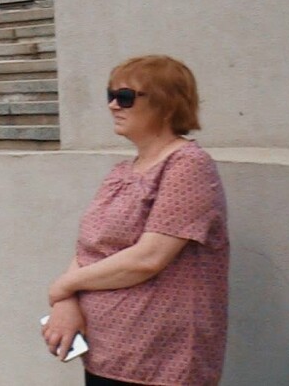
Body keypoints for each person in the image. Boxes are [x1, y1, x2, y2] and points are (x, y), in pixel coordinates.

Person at [43, 56, 228, 385]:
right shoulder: (121, 172)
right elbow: (89, 249)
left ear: (167, 104)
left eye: (125, 96)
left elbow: (148, 258)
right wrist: (66, 302)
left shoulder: (187, 165)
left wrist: (62, 286)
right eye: (109, 95)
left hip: (160, 362)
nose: (114, 105)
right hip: (105, 354)